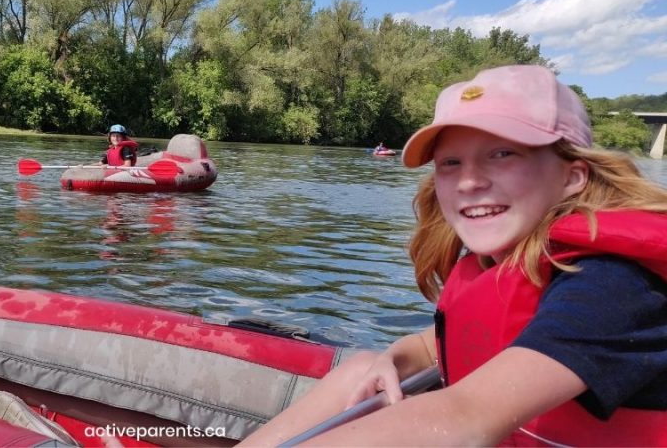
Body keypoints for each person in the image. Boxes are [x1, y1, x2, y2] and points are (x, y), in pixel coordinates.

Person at [241, 65, 667, 446]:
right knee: (364, 367)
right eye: (450, 163)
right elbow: (440, 345)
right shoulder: (497, 263)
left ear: (573, 176)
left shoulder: (611, 287)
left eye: (502, 154)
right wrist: (396, 358)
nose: (468, 182)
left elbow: (466, 418)